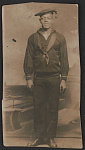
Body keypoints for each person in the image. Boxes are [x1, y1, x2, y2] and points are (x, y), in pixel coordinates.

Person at [24, 9, 69, 147]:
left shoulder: (60, 37)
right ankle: (39, 137)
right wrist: (29, 77)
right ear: (40, 20)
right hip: (39, 79)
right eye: (43, 18)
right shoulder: (33, 38)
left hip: (55, 78)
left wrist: (63, 79)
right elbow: (29, 58)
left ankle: (50, 138)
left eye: (48, 18)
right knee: (39, 107)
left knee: (52, 108)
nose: (46, 20)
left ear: (53, 20)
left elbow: (64, 59)